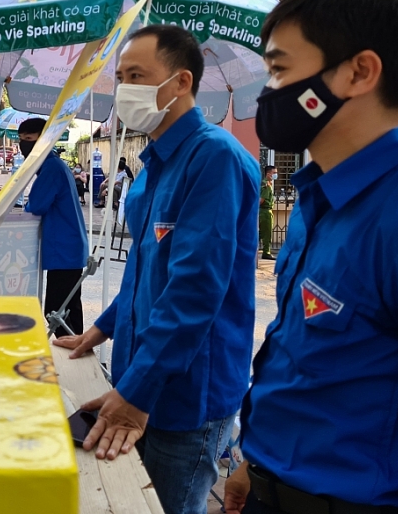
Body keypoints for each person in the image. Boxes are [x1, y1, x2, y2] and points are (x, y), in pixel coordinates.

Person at [223, 0, 398, 514]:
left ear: (359, 72)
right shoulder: (314, 202)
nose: (269, 92)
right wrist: (252, 464)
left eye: (279, 69)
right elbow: (305, 364)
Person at [56, 25, 258, 514]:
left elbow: (193, 290)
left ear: (181, 82)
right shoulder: (153, 167)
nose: (124, 89)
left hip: (186, 395)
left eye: (138, 76)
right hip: (138, 379)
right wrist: (100, 330)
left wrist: (136, 394)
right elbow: (147, 273)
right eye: (121, 76)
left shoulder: (214, 159)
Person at [19, 117, 89, 335]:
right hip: (69, 247)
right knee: (68, 309)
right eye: (21, 140)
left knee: (57, 312)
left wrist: (26, 203)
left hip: (65, 249)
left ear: (43, 139)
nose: (24, 145)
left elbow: (36, 205)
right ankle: (78, 355)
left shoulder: (51, 167)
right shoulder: (54, 164)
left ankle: (73, 356)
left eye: (29, 139)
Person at [259, 165, 276, 260]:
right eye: (274, 173)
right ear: (268, 174)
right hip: (266, 212)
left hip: (263, 211)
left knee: (261, 233)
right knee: (267, 233)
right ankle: (266, 252)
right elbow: (261, 200)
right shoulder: (267, 186)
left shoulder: (266, 184)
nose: (275, 175)